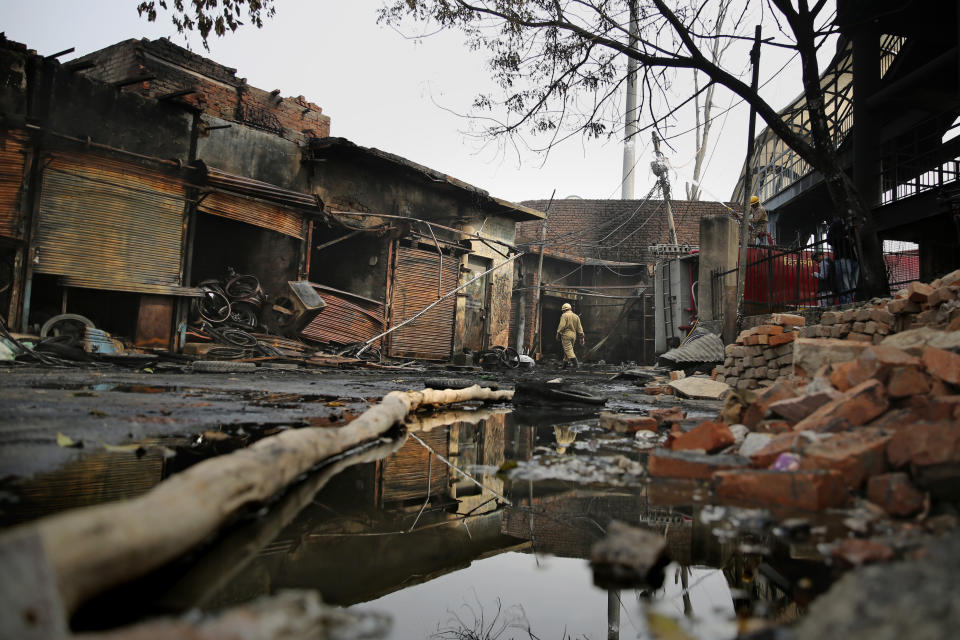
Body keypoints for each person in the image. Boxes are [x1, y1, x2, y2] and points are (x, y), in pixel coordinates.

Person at [827, 218, 859, 304]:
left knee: (852, 285)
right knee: (846, 284)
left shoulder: (853, 222)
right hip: (843, 257)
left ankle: (848, 303)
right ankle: (846, 304)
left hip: (854, 258)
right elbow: (829, 240)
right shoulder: (836, 224)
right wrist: (844, 237)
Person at [555, 302, 585, 369]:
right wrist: (582, 337)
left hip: (566, 335)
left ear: (564, 310)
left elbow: (562, 326)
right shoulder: (576, 316)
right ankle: (564, 366)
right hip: (574, 336)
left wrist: (558, 333)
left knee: (568, 350)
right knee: (568, 351)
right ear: (570, 309)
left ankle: (576, 365)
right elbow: (580, 328)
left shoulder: (564, 315)